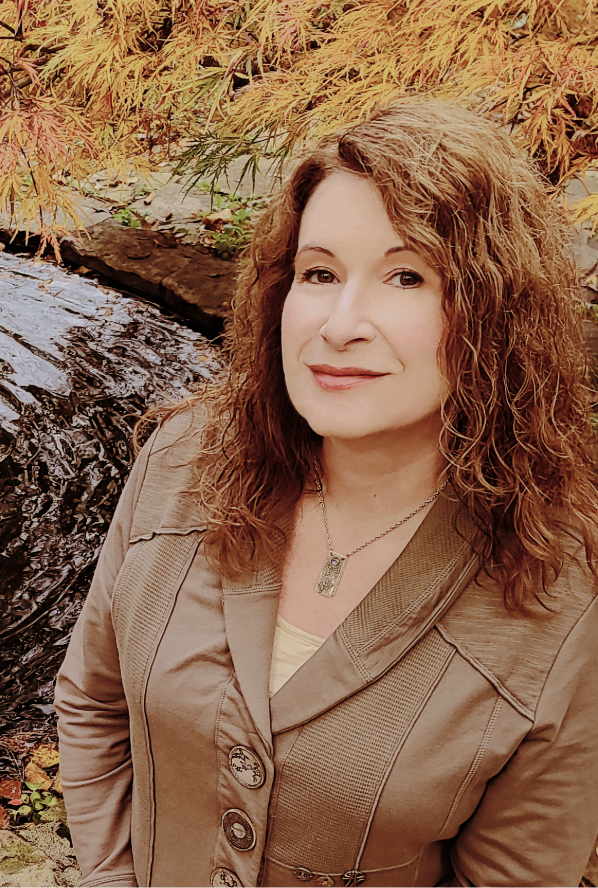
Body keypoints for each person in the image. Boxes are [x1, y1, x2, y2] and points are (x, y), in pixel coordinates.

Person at [55, 101, 598, 888]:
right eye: (319, 273)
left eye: (405, 275)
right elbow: (92, 699)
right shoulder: (181, 465)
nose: (341, 324)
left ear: (491, 313)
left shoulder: (556, 592)